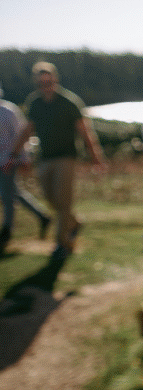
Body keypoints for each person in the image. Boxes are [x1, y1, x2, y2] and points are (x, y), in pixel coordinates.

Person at [11, 62, 105, 259]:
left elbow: (84, 130)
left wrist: (95, 156)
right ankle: (74, 222)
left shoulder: (69, 102)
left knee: (63, 200)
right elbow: (28, 130)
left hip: (66, 157)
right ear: (37, 83)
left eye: (49, 81)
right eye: (42, 82)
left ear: (55, 80)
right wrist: (14, 153)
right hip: (45, 158)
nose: (46, 85)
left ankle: (62, 244)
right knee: (51, 200)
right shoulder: (35, 102)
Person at [0, 83, 52, 255]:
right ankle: (42, 217)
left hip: (8, 160)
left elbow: (22, 135)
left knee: (8, 195)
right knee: (14, 192)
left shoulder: (9, 111)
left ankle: (7, 230)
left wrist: (23, 158)